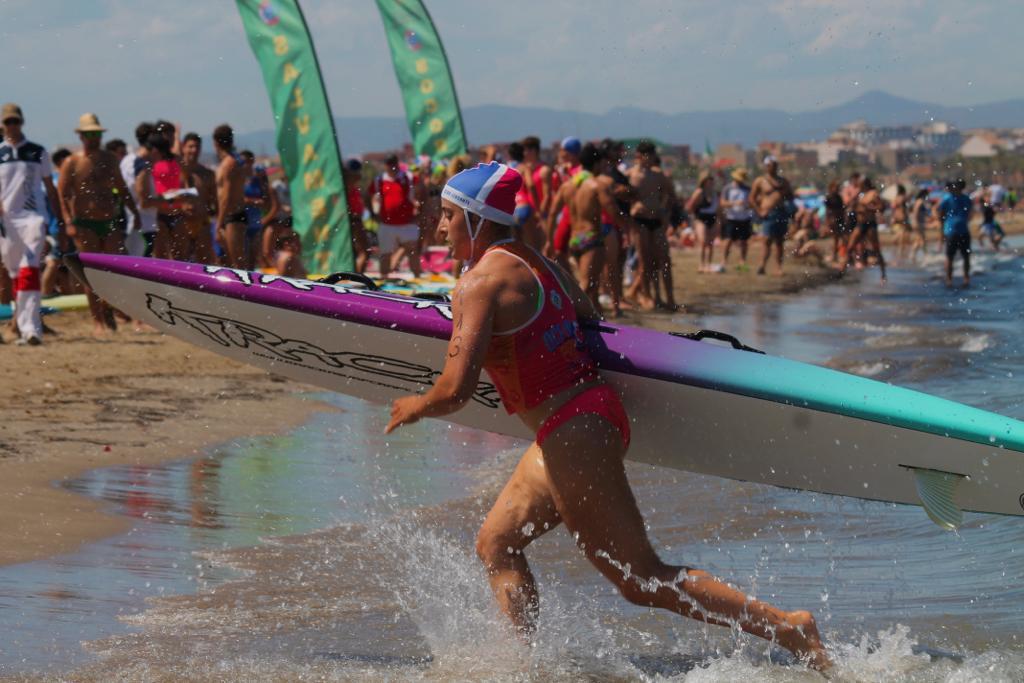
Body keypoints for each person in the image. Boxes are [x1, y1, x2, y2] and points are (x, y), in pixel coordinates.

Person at [384, 161, 832, 672]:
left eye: (447, 216)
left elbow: (454, 391)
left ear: (476, 218)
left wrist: (414, 405)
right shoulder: (544, 264)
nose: (440, 229)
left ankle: (789, 627)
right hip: (587, 416)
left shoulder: (478, 285)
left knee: (640, 578)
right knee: (497, 543)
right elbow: (591, 323)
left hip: (573, 432)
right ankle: (523, 664)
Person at [58, 113, 140, 335]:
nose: (93, 138)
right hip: (85, 223)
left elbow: (121, 188)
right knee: (90, 273)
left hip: (109, 220)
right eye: (89, 134)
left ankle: (107, 307)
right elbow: (63, 194)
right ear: (82, 136)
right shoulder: (72, 162)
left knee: (115, 269)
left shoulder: (110, 159)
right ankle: (98, 321)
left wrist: (134, 211)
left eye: (96, 134)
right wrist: (67, 222)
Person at [0, 103, 62, 344]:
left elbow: (50, 188)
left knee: (29, 270)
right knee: (17, 274)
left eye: (16, 121)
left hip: (34, 219)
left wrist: (59, 220)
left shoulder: (38, 152)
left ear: (22, 122)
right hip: (7, 223)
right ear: (3, 125)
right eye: (8, 122)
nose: (12, 126)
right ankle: (22, 323)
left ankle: (31, 328)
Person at [626, 140, 672, 309]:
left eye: (653, 155)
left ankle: (663, 297)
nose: (652, 158)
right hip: (639, 220)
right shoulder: (630, 174)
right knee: (644, 260)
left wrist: (664, 211)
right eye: (649, 155)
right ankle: (646, 296)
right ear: (639, 156)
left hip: (656, 220)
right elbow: (621, 197)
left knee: (660, 259)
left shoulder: (658, 175)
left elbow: (670, 194)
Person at [369, 154, 421, 278]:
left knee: (413, 252)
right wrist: (372, 213)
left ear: (397, 164)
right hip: (387, 225)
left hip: (407, 223)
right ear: (385, 166)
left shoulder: (408, 178)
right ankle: (384, 279)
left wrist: (420, 211)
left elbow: (422, 190)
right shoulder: (378, 180)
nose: (392, 167)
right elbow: (368, 196)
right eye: (389, 164)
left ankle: (417, 277)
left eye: (393, 163)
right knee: (385, 254)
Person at [212, 124, 249, 269]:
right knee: (228, 263)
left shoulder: (229, 164)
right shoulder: (232, 161)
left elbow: (225, 197)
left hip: (233, 217)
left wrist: (218, 224)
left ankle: (245, 292)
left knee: (238, 265)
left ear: (215, 143)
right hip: (231, 216)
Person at [750, 155, 793, 276]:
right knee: (767, 240)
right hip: (767, 213)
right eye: (770, 165)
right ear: (766, 166)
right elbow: (751, 198)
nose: (772, 168)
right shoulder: (760, 181)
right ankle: (762, 265)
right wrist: (759, 211)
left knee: (779, 241)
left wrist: (784, 194)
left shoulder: (783, 181)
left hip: (781, 212)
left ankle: (778, 267)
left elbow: (791, 196)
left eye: (774, 165)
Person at [120, 123, 159, 257]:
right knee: (139, 267)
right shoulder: (142, 165)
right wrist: (169, 200)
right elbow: (144, 201)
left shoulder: (126, 160)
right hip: (143, 225)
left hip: (130, 223)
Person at [179, 132, 217, 264]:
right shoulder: (176, 172)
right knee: (179, 264)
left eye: (197, 147)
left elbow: (214, 203)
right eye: (190, 146)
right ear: (183, 147)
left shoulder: (207, 174)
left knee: (205, 265)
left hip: (202, 225)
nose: (194, 150)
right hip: (180, 225)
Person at [843, 176, 886, 283]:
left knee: (876, 250)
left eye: (860, 183)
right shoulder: (859, 194)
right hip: (860, 223)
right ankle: (842, 271)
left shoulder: (873, 194)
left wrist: (868, 208)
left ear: (864, 184)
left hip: (870, 224)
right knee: (850, 247)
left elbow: (881, 207)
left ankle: (883, 274)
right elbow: (851, 205)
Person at [937, 179, 972, 287]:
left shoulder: (952, 198)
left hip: (959, 230)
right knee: (952, 257)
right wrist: (942, 230)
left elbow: (940, 214)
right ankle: (950, 279)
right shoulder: (950, 199)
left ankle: (964, 279)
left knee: (963, 256)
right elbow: (940, 214)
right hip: (953, 231)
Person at [720, 167, 754, 270]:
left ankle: (742, 260)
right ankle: (724, 260)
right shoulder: (728, 188)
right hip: (732, 217)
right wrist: (734, 203)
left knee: (744, 241)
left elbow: (752, 202)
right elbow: (722, 203)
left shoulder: (748, 189)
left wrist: (748, 205)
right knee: (728, 240)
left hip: (745, 217)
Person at [687, 171, 719, 273]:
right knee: (703, 242)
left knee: (711, 243)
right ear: (703, 181)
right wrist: (694, 218)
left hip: (712, 218)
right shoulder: (699, 192)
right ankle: (701, 264)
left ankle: (709, 265)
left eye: (711, 180)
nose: (710, 182)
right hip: (701, 218)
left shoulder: (714, 193)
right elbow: (689, 206)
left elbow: (717, 208)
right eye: (708, 180)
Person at [343, 158, 370, 273]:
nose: (359, 176)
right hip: (353, 221)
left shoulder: (349, 185)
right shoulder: (347, 186)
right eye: (357, 173)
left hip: (354, 220)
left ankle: (356, 276)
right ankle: (358, 278)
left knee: (359, 252)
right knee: (363, 252)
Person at [823, 179, 845, 265]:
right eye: (835, 187)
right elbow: (827, 210)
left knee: (837, 238)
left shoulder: (839, 197)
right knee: (833, 238)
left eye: (838, 187)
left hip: (839, 219)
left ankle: (835, 255)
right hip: (831, 219)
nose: (837, 189)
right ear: (831, 188)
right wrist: (827, 222)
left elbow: (841, 209)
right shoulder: (828, 197)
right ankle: (832, 255)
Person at [910, 187, 930, 260]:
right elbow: (916, 211)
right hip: (918, 222)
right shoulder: (920, 201)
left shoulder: (919, 201)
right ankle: (926, 255)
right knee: (922, 239)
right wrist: (915, 221)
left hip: (918, 222)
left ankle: (912, 256)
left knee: (918, 240)